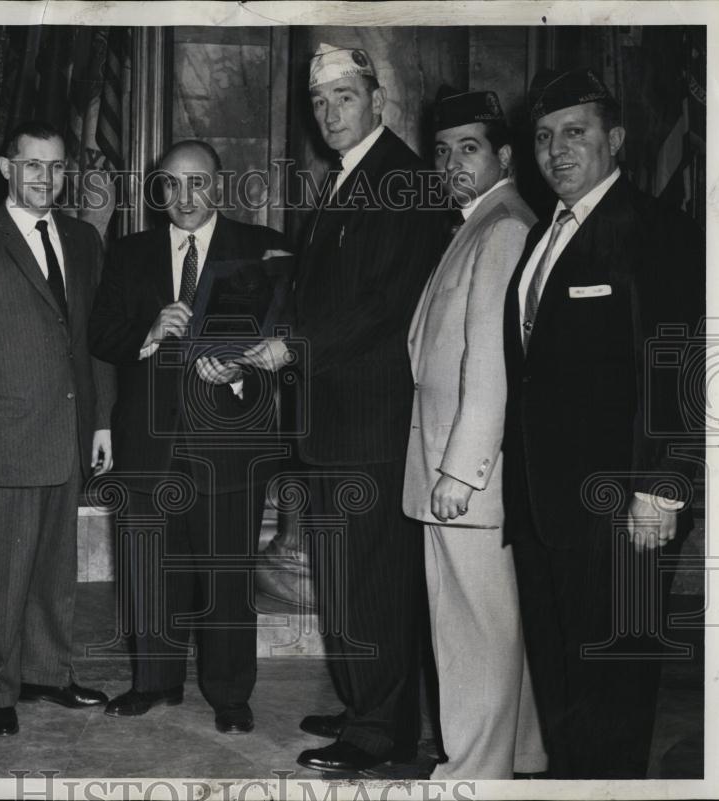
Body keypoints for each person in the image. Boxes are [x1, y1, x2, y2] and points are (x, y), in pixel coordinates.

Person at [242, 44, 445, 772]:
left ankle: (379, 731)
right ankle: (368, 704)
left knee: (372, 581)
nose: (330, 113)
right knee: (345, 577)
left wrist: (292, 347)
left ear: (377, 100)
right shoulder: (346, 179)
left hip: (370, 422)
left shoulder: (404, 182)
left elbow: (382, 305)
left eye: (345, 98)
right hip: (334, 421)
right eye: (320, 102)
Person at [502, 68, 704, 778]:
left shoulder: (656, 230)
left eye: (576, 133)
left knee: (615, 688)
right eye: (544, 137)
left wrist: (667, 484)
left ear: (614, 140)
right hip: (544, 504)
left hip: (624, 506)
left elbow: (680, 361)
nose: (557, 150)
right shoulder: (542, 237)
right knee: (561, 681)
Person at [88, 140, 288, 734]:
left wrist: (246, 363)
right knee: (149, 566)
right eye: (170, 185)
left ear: (218, 187)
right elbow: (101, 335)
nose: (183, 197)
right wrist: (148, 331)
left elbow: (288, 326)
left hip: (229, 441)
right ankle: (154, 681)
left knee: (227, 572)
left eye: (196, 182)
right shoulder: (128, 253)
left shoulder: (259, 247)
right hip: (149, 442)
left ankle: (229, 693)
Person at [0, 120, 116, 737]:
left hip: (66, 432)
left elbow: (92, 343)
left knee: (55, 569)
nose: (46, 178)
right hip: (1, 440)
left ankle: (47, 673)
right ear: (6, 169)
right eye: (33, 165)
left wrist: (102, 423)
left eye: (57, 166)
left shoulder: (85, 240)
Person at [402, 85, 546, 779]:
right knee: (489, 621)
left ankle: (472, 775)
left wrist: (461, 470)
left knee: (472, 629)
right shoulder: (476, 221)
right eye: (442, 151)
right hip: (449, 460)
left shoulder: (504, 226)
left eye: (469, 148)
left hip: (463, 473)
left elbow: (491, 362)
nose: (452, 162)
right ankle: (515, 753)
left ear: (505, 155)